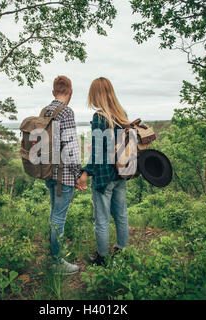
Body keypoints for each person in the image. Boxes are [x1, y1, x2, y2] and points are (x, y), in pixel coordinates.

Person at [76, 77, 131, 266]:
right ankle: (122, 248)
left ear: (95, 94)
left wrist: (85, 172)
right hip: (120, 174)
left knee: (101, 219)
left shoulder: (100, 117)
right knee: (121, 214)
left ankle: (102, 257)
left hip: (104, 176)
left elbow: (97, 150)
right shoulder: (121, 114)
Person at [44, 75, 83, 274]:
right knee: (59, 218)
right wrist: (79, 173)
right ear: (70, 92)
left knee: (54, 215)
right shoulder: (66, 112)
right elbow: (70, 147)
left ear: (53, 92)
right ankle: (57, 262)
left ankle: (52, 255)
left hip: (48, 172)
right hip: (64, 175)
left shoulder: (45, 110)